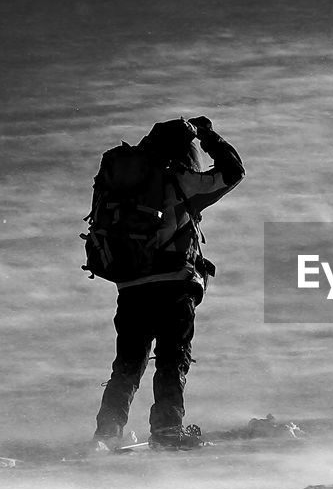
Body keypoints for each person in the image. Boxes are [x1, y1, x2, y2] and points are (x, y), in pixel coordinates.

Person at [89, 116, 244, 450]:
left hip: (130, 286)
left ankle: (107, 432)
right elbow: (234, 172)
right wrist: (209, 136)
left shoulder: (115, 181)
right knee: (173, 359)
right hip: (174, 283)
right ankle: (167, 431)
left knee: (128, 364)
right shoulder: (178, 178)